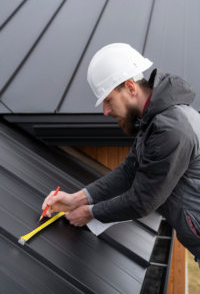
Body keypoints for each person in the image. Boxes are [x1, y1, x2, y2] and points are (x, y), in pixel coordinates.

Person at [42, 43, 200, 259]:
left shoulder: (172, 129)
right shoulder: (154, 119)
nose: (106, 111)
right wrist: (77, 199)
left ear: (130, 88)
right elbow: (129, 171)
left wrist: (89, 213)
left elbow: (143, 201)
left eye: (108, 100)